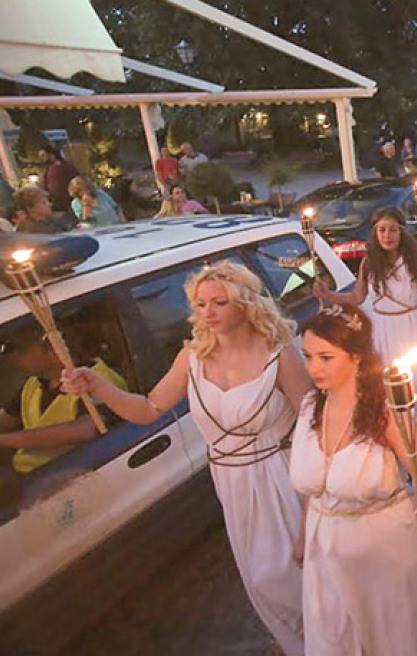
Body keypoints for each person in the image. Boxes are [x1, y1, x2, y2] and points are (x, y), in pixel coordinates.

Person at [62, 262, 309, 655]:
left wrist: (311, 513)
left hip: (282, 476)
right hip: (232, 484)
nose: (207, 311)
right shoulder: (191, 357)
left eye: (219, 302)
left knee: (298, 578)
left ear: (245, 304)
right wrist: (96, 385)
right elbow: (147, 409)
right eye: (200, 303)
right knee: (263, 580)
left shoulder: (280, 356)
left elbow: (315, 429)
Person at [291, 306, 417, 655]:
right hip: (324, 555)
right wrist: (302, 536)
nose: (313, 368)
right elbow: (317, 487)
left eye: (326, 357)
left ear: (356, 358)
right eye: (307, 356)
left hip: (386, 556)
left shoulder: (388, 413)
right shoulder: (311, 407)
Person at [314, 207, 417, 448]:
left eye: (392, 230)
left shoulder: (415, 263)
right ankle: (400, 440)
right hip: (381, 330)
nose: (387, 235)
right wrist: (328, 295)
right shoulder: (369, 262)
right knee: (386, 387)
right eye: (381, 230)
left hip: (409, 327)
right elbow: (358, 297)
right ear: (375, 233)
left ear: (401, 233)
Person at [1, 325, 126, 474]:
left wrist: (5, 440)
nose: (11, 356)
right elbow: (5, 420)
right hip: (34, 473)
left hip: (75, 472)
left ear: (53, 352)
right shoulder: (34, 383)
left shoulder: (96, 379)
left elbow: (86, 429)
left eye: (19, 350)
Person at [39, 146, 80, 214]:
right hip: (57, 206)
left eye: (43, 155)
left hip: (71, 202)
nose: (41, 158)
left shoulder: (67, 166)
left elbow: (77, 180)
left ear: (51, 155)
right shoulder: (46, 172)